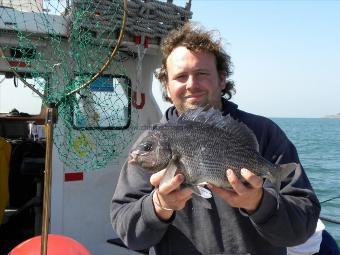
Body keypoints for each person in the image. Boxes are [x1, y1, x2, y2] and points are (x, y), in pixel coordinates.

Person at [111, 22, 321, 255]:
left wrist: (259, 203)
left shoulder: (265, 133)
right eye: (180, 77)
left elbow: (303, 225)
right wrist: (159, 206)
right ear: (167, 87)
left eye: (202, 73)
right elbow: (128, 232)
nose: (191, 84)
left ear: (222, 79)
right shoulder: (154, 146)